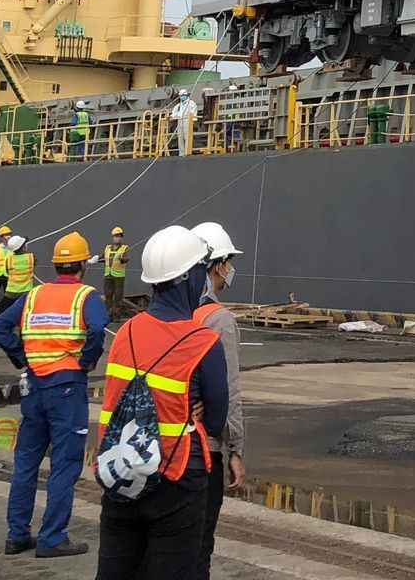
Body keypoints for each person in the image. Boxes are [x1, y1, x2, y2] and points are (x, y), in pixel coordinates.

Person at [94, 226, 229, 580]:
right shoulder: (204, 342)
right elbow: (215, 422)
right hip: (178, 477)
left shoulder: (125, 333)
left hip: (122, 472)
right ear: (188, 277)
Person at [0, 230, 106, 559]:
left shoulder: (33, 296)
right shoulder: (86, 296)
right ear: (83, 264)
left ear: (57, 265)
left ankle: (17, 535)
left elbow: (0, 326)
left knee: (27, 461)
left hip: (33, 387)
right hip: (67, 387)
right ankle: (52, 536)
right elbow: (98, 329)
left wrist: (22, 358)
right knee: (65, 463)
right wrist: (86, 360)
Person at [189, 222, 248, 580]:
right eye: (227, 262)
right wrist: (237, 449)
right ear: (216, 264)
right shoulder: (219, 319)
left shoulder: (168, 315)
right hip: (203, 450)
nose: (229, 271)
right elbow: (229, 390)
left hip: (162, 446)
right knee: (199, 547)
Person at [101, 227, 130, 318]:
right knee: (108, 296)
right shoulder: (107, 248)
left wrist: (122, 259)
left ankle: (116, 315)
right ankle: (109, 314)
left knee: (118, 296)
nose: (118, 237)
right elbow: (103, 258)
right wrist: (95, 259)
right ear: (113, 237)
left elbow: (126, 259)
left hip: (118, 276)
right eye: (116, 236)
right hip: (108, 275)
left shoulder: (124, 248)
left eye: (120, 236)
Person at [169, 89, 198, 157]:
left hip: (187, 122)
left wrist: (192, 121)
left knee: (187, 137)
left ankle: (187, 152)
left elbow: (193, 113)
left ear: (186, 95)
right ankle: (181, 153)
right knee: (180, 138)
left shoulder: (191, 103)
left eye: (183, 95)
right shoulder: (179, 105)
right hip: (180, 122)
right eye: (181, 96)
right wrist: (170, 117)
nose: (182, 97)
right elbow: (174, 113)